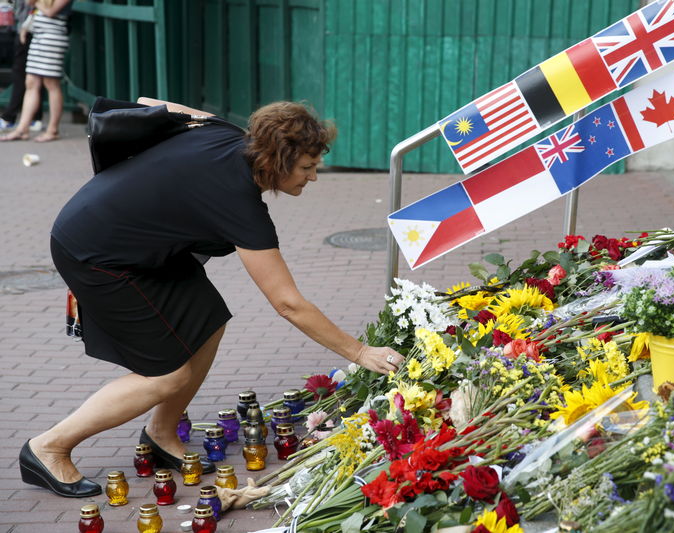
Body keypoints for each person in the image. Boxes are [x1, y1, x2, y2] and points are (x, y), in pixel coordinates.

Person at [19, 99, 404, 498]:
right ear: (277, 159)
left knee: (206, 322)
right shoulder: (238, 197)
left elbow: (153, 103)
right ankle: (48, 447)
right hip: (97, 254)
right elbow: (287, 302)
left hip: (136, 241)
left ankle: (161, 433)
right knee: (167, 374)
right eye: (307, 167)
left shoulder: (226, 132)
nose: (313, 177)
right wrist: (360, 352)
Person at [1, 0, 72, 142]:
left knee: (51, 83)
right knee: (31, 82)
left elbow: (51, 11)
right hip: (38, 37)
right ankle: (22, 129)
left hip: (52, 37)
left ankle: (53, 130)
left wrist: (35, 2)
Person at [0, 0, 44, 131]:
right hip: (28, 29)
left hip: (31, 30)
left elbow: (32, 4)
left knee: (26, 75)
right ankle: (33, 118)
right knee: (33, 78)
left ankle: (11, 118)